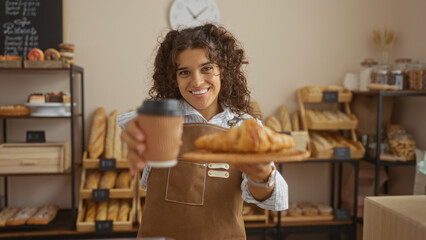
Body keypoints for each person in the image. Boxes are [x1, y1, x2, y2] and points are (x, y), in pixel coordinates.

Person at [119, 24, 288, 240]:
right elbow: (129, 130)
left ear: (223, 69)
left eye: (207, 68)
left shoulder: (245, 127)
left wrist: (261, 176)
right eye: (184, 72)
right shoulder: (160, 119)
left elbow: (276, 201)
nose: (197, 81)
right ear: (174, 78)